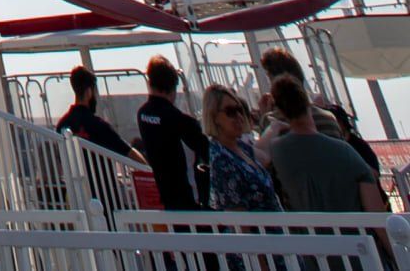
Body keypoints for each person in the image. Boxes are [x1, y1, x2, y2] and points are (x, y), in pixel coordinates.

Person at [267, 75, 387, 214]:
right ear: (308, 103)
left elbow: (259, 156)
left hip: (305, 233)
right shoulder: (344, 151)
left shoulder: (277, 150)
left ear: (280, 111)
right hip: (352, 232)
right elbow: (375, 212)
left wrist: (272, 128)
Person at [136, 55, 209, 210]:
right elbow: (208, 153)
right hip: (189, 199)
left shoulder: (143, 114)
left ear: (150, 84)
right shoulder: (180, 120)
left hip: (167, 198)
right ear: (174, 87)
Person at [203, 85, 280, 214]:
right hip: (260, 232)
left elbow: (264, 157)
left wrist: (275, 128)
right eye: (230, 112)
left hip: (275, 229)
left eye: (239, 110)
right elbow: (238, 221)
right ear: (214, 116)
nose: (239, 116)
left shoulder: (239, 146)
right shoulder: (222, 161)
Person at [57, 66, 143, 162]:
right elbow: (127, 151)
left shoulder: (61, 125)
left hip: (75, 177)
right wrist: (148, 169)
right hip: (101, 177)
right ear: (89, 91)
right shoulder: (98, 125)